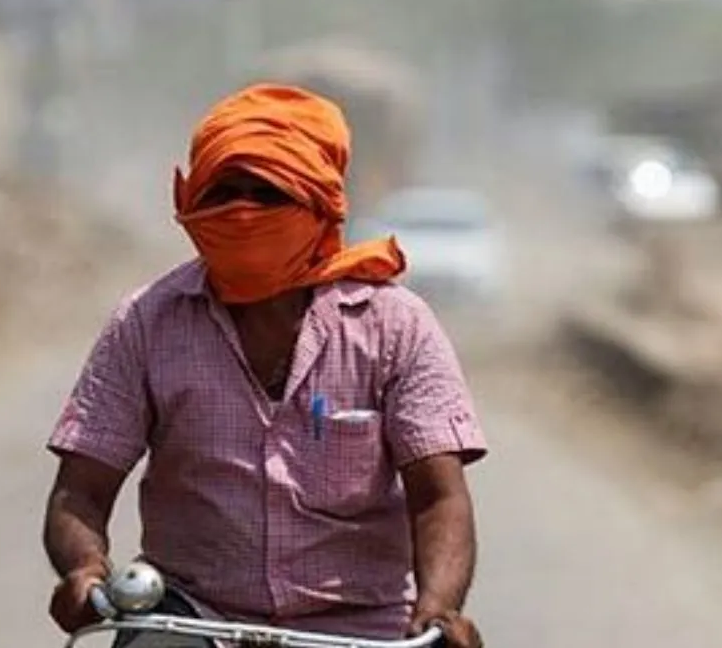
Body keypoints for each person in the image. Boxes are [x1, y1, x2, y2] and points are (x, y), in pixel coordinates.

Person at [43, 83, 488, 648]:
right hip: (190, 618)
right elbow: (80, 489)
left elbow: (438, 495)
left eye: (268, 193)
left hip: (358, 627)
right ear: (193, 204)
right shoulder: (146, 322)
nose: (244, 212)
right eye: (225, 193)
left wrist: (439, 608)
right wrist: (84, 570)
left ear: (321, 205)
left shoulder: (397, 326)